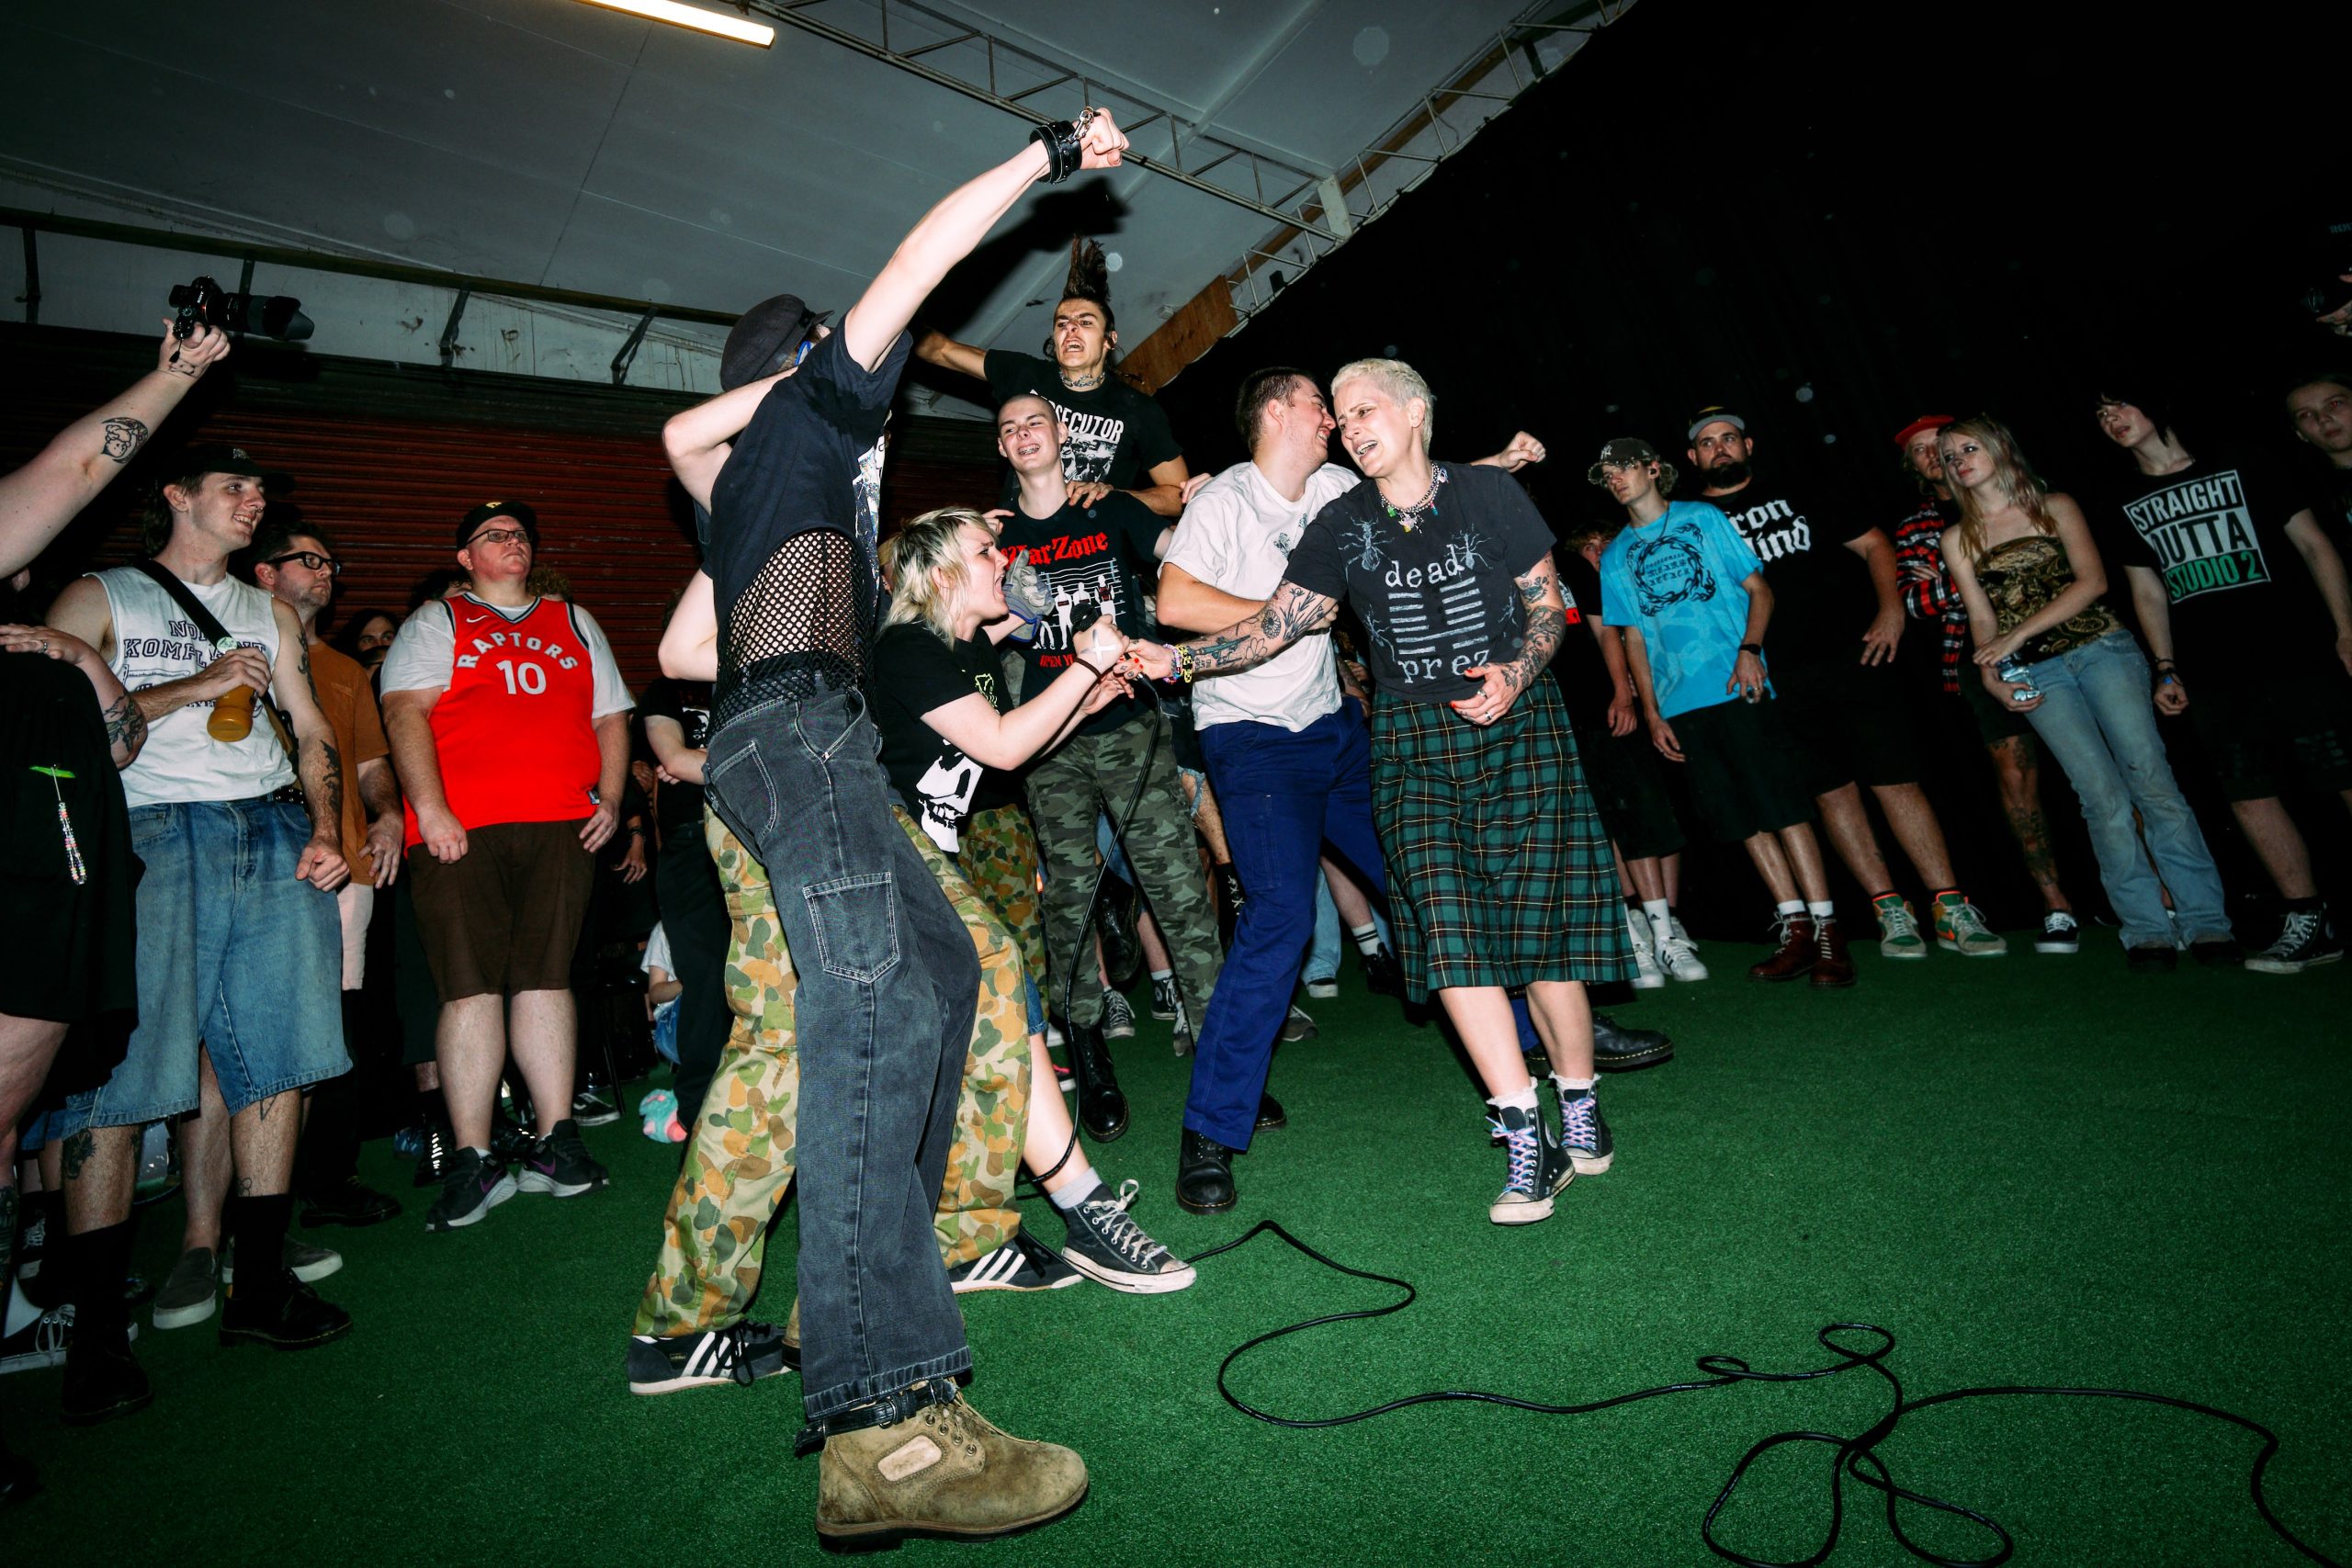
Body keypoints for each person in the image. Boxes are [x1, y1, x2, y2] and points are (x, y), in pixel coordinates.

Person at [651, 111, 1130, 1547]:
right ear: (799, 370)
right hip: (796, 732)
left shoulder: (757, 487)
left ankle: (854, 1303)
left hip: (809, 739)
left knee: (947, 980)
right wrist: (1051, 156)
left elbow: (685, 496)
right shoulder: (805, 429)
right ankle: (881, 1421)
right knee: (866, 1011)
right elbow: (920, 260)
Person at [1134, 359, 1634, 1225]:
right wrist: (1205, 647)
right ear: (1274, 413)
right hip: (1257, 743)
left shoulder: (1346, 481)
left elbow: (1430, 487)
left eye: (1357, 409)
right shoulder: (1240, 503)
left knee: (1448, 900)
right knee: (1295, 918)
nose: (1338, 422)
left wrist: (1501, 468)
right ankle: (1214, 1128)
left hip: (1339, 729)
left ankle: (1564, 1049)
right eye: (1325, 408)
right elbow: (1213, 609)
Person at [42, 441, 356, 1423]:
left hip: (268, 826)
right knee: (123, 1074)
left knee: (281, 1056)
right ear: (175, 496)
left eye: (262, 488)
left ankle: (257, 1287)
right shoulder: (99, 596)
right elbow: (53, 736)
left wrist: (324, 829)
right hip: (145, 835)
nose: (254, 501)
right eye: (234, 487)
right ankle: (94, 1334)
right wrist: (196, 683)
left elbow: (309, 727)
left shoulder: (270, 610)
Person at [870, 507, 1193, 1284]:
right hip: (885, 858)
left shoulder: (965, 644)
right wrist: (1085, 663)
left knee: (986, 1021)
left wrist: (1090, 695)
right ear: (943, 575)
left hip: (925, 856)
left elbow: (1014, 747)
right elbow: (1005, 744)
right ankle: (1082, 1212)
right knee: (996, 997)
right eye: (985, 551)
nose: (1003, 559)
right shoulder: (907, 650)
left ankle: (975, 1233)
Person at [379, 500, 628, 1229]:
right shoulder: (440, 621)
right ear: (465, 557)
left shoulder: (573, 620)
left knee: (547, 978)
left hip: (560, 824)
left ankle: (556, 1140)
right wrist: (431, 809)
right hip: (462, 829)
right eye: (492, 535)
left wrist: (610, 797)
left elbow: (612, 716)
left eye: (519, 532)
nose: (510, 541)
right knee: (468, 985)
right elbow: (403, 713)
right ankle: (473, 1155)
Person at [994, 390, 1227, 1142]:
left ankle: (1227, 1066)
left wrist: (1206, 503)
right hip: (1049, 745)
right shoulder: (994, 542)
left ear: (1060, 437)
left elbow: (1186, 563)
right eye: (1010, 429)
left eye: (1036, 422)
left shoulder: (1112, 511)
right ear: (1002, 450)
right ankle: (1090, 1055)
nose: (1025, 435)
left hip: (1131, 729)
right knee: (1066, 896)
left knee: (1179, 890)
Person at [1689, 408, 2006, 959]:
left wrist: (1891, 611)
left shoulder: (1801, 489)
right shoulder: (1692, 523)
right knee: (1832, 792)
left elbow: (1876, 546)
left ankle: (1949, 904)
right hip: (1776, 677)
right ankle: (1890, 911)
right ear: (1692, 458)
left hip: (1854, 656)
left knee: (1896, 779)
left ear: (1749, 445)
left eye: (1730, 439)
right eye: (1708, 444)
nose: (1720, 449)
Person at [1937, 416, 2235, 971]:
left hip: (2102, 650)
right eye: (1950, 457)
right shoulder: (1958, 537)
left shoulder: (2057, 507)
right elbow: (1982, 616)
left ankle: (2207, 922)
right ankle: (2146, 930)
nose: (1958, 462)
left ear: (2001, 447)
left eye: (1967, 448)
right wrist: (1992, 676)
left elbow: (2093, 582)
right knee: (2099, 797)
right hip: (2040, 673)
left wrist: (2016, 635)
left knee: (2152, 781)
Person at [2091, 389, 2352, 973]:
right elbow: (2148, 590)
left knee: (2344, 770)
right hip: (2213, 670)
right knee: (2250, 792)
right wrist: (2165, 666)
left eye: (2119, 405)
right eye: (2101, 416)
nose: (2112, 420)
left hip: (2298, 652)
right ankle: (2308, 918)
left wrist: (2346, 632)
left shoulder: (2244, 461)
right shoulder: (2121, 499)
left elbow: (2314, 545)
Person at [1591, 439, 1854, 987]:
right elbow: (1634, 637)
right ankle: (1796, 927)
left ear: (1654, 470)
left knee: (1782, 807)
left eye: (1624, 467)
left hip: (1740, 683)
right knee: (1741, 819)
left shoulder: (1703, 518)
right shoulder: (1615, 555)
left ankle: (1830, 930)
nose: (1615, 478)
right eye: (1605, 473)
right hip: (1681, 703)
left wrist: (1751, 651)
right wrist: (1654, 711)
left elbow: (1760, 590)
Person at [247, 515, 407, 1226]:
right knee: (260, 1023)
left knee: (338, 1022)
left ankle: (328, 1180)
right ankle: (244, 1199)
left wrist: (390, 813)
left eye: (330, 562)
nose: (325, 571)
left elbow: (371, 762)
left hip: (348, 868)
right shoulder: (233, 649)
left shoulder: (343, 669)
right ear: (264, 574)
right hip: (257, 859)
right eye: (306, 559)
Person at [1888, 415, 2081, 953]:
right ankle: (2056, 905)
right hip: (1983, 663)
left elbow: (2070, 573)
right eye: (1925, 453)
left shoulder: (2028, 499)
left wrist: (1951, 576)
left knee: (2104, 768)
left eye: (1944, 447)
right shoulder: (1917, 528)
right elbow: (1916, 603)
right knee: (2018, 781)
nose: (1937, 458)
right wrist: (1966, 577)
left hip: (2068, 644)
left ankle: (2157, 894)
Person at [916, 236, 1190, 515]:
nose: (1071, 329)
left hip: (1092, 548)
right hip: (1020, 544)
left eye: (1085, 322)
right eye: (1062, 324)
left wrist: (1115, 496)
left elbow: (1177, 497)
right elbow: (939, 350)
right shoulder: (1025, 375)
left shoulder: (1139, 410)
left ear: (1109, 339)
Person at [1555, 520, 1703, 987]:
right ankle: (1632, 932)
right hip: (1551, 718)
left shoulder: (1569, 566)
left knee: (1644, 811)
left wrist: (1622, 692)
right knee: (1598, 824)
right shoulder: (1483, 567)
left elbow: (1607, 634)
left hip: (1606, 706)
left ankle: (1665, 930)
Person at [636, 671, 731, 1123]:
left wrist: (702, 760)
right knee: (705, 976)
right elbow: (673, 760)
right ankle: (698, 1112)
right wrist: (688, 761)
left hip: (756, 837)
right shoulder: (667, 691)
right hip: (692, 843)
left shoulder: (750, 679)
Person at [2285, 373, 2352, 543]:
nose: (2322, 418)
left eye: (2335, 404)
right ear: (2299, 433)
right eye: (2305, 415)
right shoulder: (2303, 496)